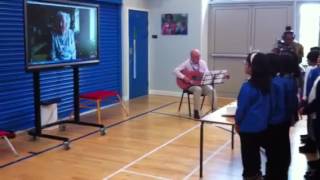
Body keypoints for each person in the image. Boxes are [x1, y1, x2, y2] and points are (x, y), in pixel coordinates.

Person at [235, 52, 272, 180]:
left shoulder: (248, 87)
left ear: (252, 67)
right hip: (262, 126)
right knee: (255, 155)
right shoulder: (267, 84)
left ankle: (251, 176)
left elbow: (242, 109)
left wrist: (237, 122)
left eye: (246, 63)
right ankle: (257, 174)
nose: (245, 65)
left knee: (248, 157)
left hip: (248, 128)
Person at [174, 49, 216, 119]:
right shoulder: (186, 63)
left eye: (199, 56)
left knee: (211, 90)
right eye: (196, 57)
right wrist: (184, 77)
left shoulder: (203, 63)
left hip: (201, 83)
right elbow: (175, 70)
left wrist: (207, 76)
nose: (198, 58)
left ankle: (214, 110)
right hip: (190, 85)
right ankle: (196, 111)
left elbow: (207, 73)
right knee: (198, 89)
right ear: (191, 57)